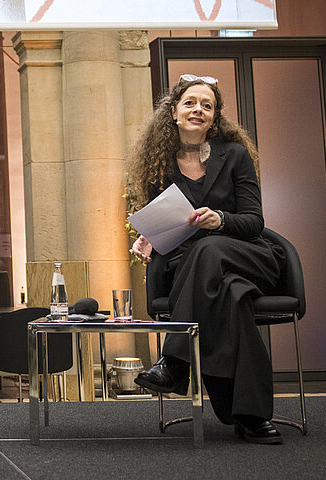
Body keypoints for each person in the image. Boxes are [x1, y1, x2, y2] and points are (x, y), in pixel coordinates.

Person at [127, 74, 285, 444]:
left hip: (247, 254)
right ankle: (250, 416)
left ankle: (176, 362)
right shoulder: (159, 164)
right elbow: (166, 219)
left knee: (210, 246)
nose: (198, 109)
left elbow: (253, 222)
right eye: (190, 103)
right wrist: (148, 235)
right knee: (230, 299)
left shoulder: (235, 155)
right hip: (198, 271)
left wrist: (221, 219)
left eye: (207, 105)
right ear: (174, 113)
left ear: (215, 117)